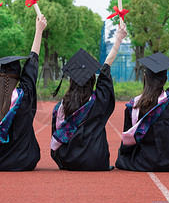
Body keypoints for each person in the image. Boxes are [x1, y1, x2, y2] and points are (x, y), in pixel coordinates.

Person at [115, 19, 169, 172]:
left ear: (145, 77)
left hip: (146, 162)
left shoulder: (133, 106)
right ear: (165, 79)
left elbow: (127, 142)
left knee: (122, 158)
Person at [50, 20, 128, 171]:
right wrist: (118, 40)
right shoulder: (98, 101)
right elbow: (105, 69)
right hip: (96, 161)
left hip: (69, 161)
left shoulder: (60, 107)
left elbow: (56, 140)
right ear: (93, 79)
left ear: (71, 80)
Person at [0, 15, 47, 171]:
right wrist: (39, 31)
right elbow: (32, 65)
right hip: (24, 160)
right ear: (19, 76)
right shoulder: (24, 95)